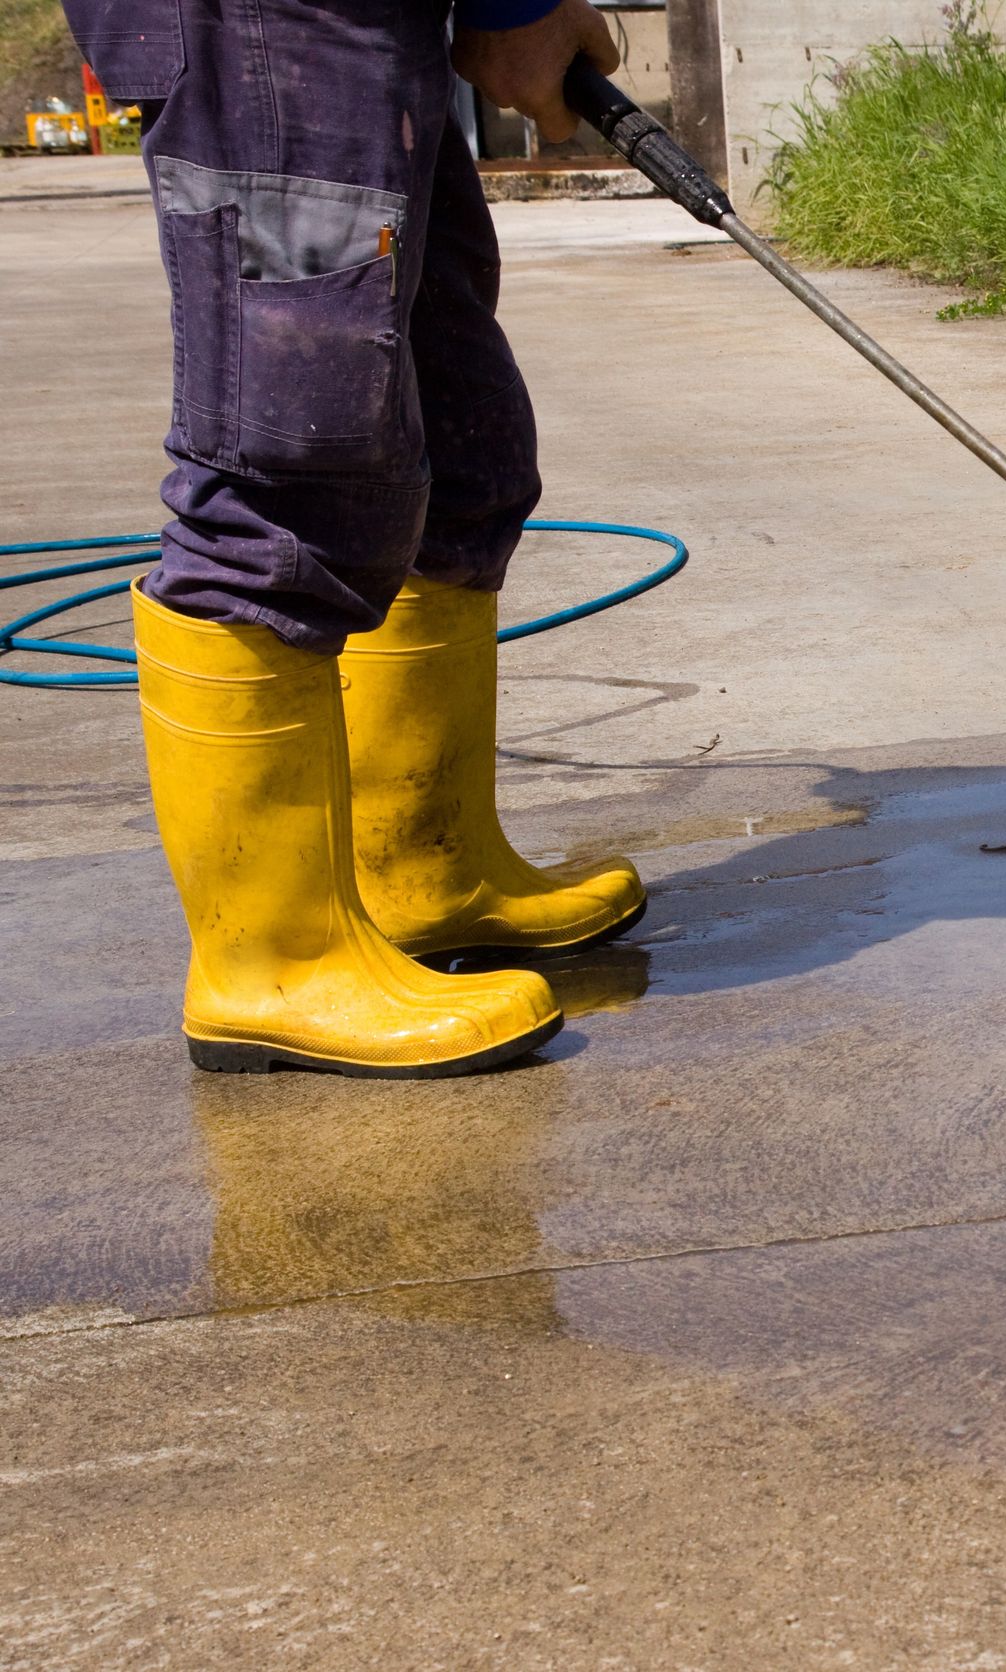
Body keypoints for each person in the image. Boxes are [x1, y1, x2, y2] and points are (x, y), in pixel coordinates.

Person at [63, 0, 644, 1077]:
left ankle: (420, 869)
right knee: (296, 461)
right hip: (267, 25)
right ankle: (273, 961)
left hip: (360, 20)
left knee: (462, 441)